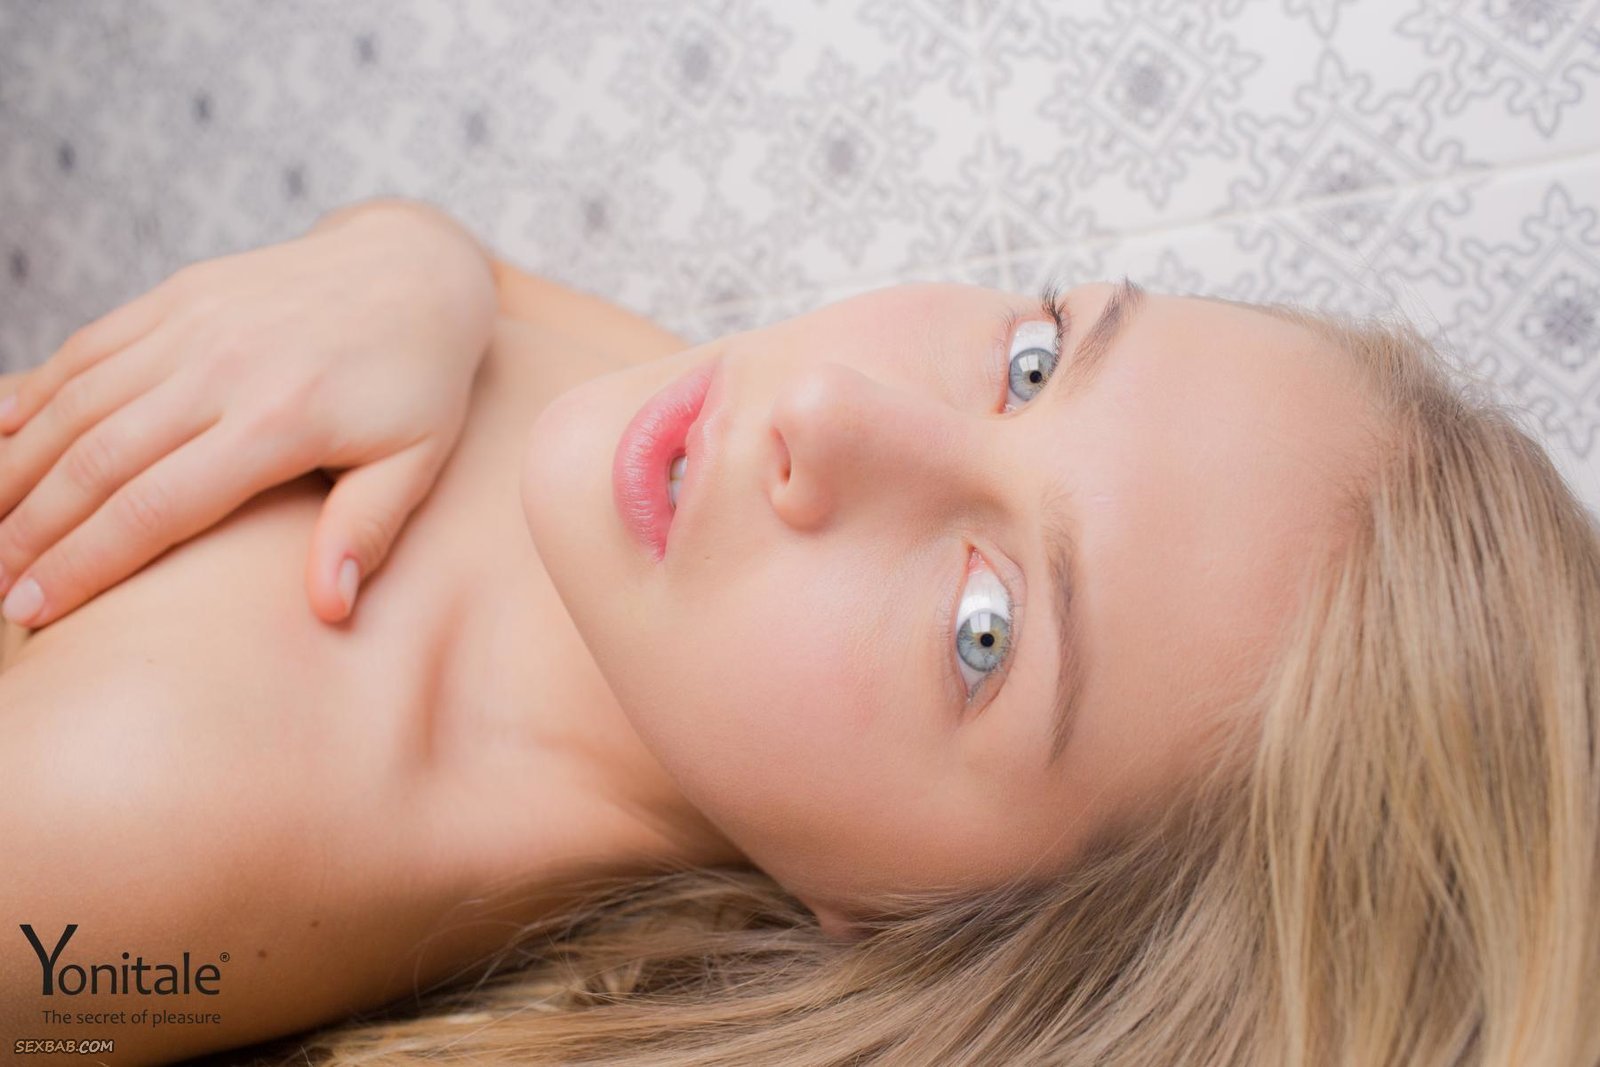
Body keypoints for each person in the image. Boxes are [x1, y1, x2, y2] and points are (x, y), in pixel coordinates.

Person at [1, 197, 1595, 1067]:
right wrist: (406, 266)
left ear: (951, 937)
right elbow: (487, 284)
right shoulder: (672, 485)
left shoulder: (135, 823)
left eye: (984, 631)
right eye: (1036, 363)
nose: (830, 408)